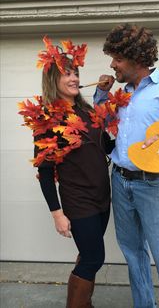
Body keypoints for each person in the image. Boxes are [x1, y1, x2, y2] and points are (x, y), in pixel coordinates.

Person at [94, 23, 159, 308]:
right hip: (120, 178)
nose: (112, 65)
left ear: (136, 58)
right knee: (133, 253)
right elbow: (103, 126)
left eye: (117, 58)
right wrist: (103, 96)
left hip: (152, 182)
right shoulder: (121, 93)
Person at [20, 37, 112, 308]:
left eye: (76, 73)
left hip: (102, 196)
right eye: (67, 74)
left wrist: (140, 144)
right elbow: (45, 172)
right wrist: (57, 214)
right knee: (95, 258)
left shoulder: (86, 111)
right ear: (53, 79)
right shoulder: (46, 120)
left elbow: (105, 145)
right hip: (78, 199)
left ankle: (85, 304)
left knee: (88, 256)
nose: (74, 78)